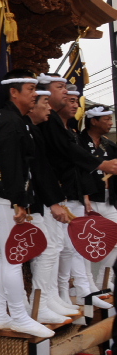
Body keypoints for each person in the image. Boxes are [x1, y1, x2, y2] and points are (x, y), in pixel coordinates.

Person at [0, 70, 54, 337]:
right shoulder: (9, 121)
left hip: (2, 197)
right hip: (4, 199)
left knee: (8, 258)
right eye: (30, 89)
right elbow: (11, 166)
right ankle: (19, 316)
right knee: (14, 259)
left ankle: (0, 314)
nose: (35, 94)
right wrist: (18, 202)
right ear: (14, 92)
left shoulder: (6, 117)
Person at [37, 73, 117, 309]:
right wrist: (100, 164)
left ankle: (72, 292)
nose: (71, 100)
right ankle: (57, 297)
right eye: (61, 89)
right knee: (58, 248)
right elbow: (64, 154)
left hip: (71, 194)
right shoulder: (49, 123)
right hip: (54, 195)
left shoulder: (67, 129)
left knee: (68, 247)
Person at [25, 89, 76, 322]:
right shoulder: (24, 128)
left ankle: (49, 297)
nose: (48, 108)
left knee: (55, 246)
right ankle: (39, 304)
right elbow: (36, 170)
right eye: (44, 102)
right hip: (30, 200)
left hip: (43, 197)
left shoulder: (34, 129)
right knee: (46, 249)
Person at [78, 105, 117, 289]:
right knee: (84, 244)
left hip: (108, 199)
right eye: (107, 119)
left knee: (115, 239)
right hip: (86, 200)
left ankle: (104, 281)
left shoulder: (109, 145)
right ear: (94, 121)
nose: (110, 123)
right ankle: (87, 284)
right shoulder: (78, 142)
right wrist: (83, 195)